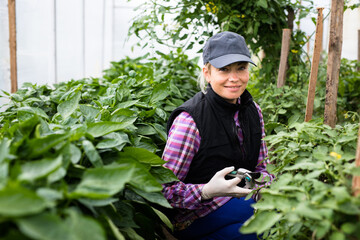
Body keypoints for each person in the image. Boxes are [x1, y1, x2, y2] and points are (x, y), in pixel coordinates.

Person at [161, 31, 274, 240]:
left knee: (272, 223)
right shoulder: (190, 121)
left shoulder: (252, 111)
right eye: (223, 69)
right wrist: (206, 191)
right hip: (194, 215)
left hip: (239, 201)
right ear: (207, 73)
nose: (234, 78)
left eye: (241, 68)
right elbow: (163, 189)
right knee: (252, 233)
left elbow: (260, 168)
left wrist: (261, 186)